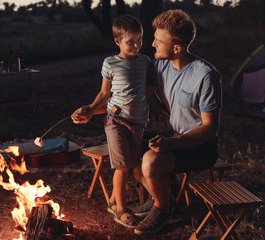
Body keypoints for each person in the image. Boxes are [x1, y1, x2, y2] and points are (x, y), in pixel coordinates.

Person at [133, 9, 222, 235]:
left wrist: (171, 144)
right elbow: (138, 88)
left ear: (176, 47)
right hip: (173, 137)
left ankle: (163, 209)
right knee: (127, 144)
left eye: (158, 41)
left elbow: (210, 129)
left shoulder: (205, 76)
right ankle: (165, 195)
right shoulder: (160, 66)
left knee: (151, 160)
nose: (152, 44)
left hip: (200, 147)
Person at [71, 14, 152, 228]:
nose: (136, 45)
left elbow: (148, 91)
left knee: (135, 164)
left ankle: (145, 200)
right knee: (123, 166)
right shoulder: (111, 63)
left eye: (140, 40)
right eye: (130, 41)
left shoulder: (145, 62)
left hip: (138, 122)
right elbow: (104, 94)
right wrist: (89, 109)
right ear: (118, 41)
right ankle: (120, 208)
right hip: (116, 121)